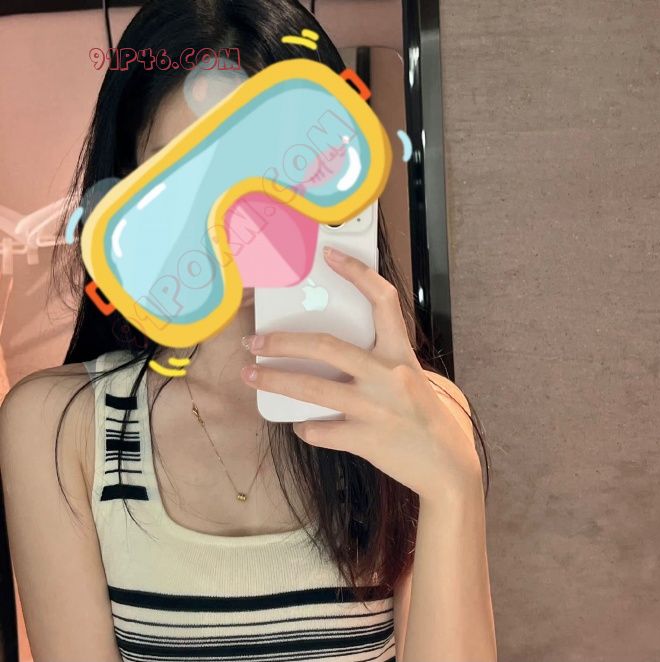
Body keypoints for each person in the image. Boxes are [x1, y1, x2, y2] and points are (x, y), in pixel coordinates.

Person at [0, 1, 496, 660]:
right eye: (187, 182)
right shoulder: (59, 429)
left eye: (269, 171)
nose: (239, 227)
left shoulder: (421, 417)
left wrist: (453, 489)